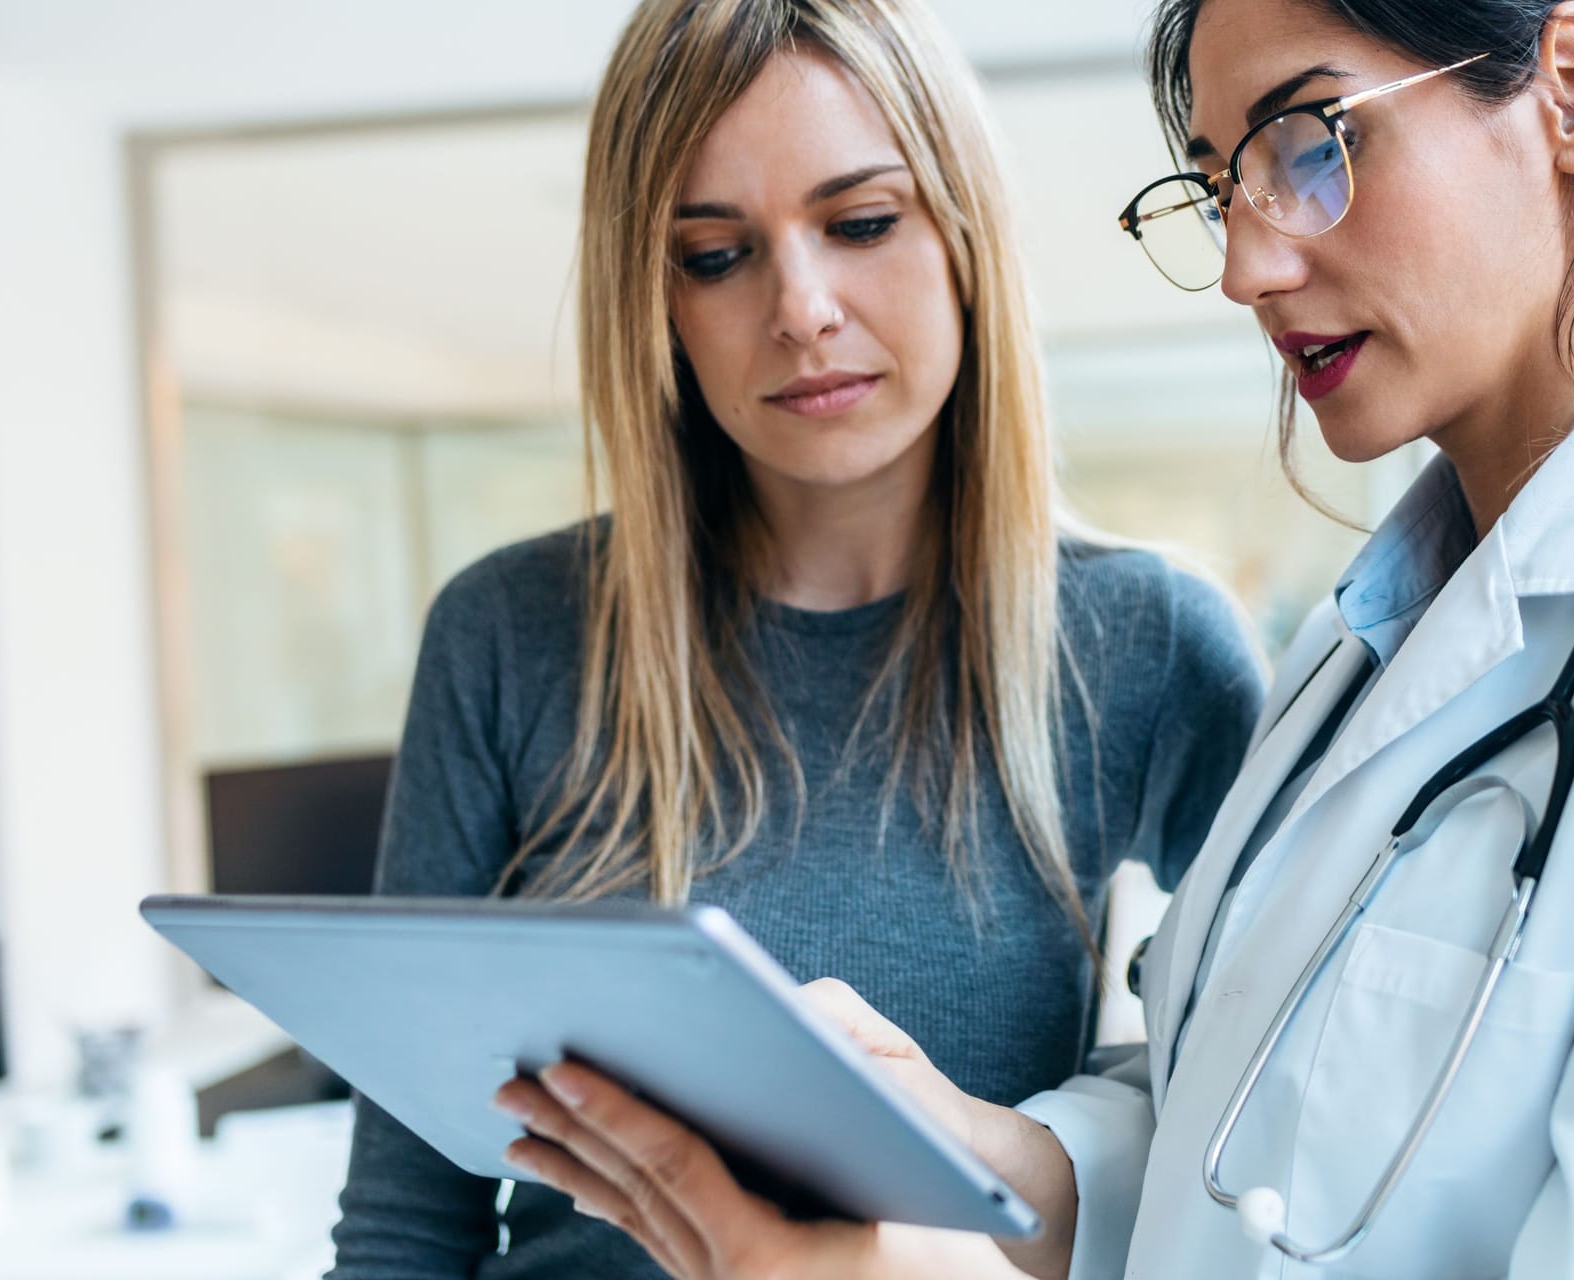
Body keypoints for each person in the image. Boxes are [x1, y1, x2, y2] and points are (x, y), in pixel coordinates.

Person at [497, 0, 1574, 1277]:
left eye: (1311, 145)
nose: (1245, 266)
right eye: (1223, 188)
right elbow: (1217, 1138)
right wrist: (966, 1139)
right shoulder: (1358, 654)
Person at [325, 0, 1265, 1275]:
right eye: (715, 254)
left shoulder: (1146, 643)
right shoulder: (510, 634)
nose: (802, 307)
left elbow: (1258, 1127)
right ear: (654, 300)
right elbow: (404, 1222)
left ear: (963, 233)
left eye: (863, 223)